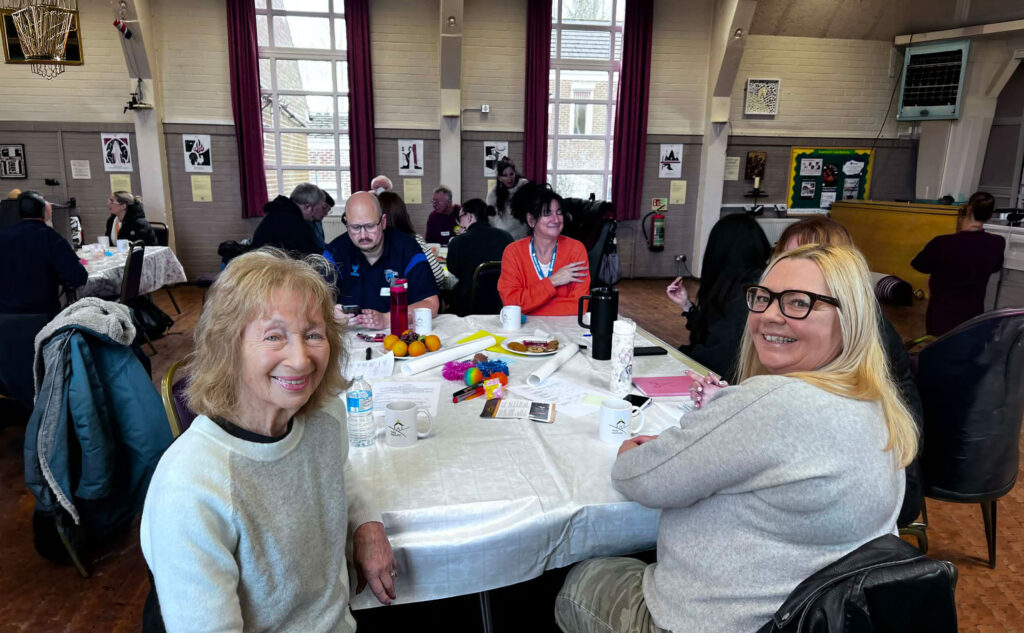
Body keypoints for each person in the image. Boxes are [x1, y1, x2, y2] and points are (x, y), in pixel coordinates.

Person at [555, 244, 917, 633]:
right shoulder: (878, 405)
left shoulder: (772, 404)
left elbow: (638, 478)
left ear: (851, 319)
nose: (770, 316)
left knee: (585, 579)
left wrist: (630, 450)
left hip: (721, 621)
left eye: (799, 303)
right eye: (763, 298)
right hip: (813, 615)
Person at [140, 249, 396, 632]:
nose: (301, 359)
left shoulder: (325, 417)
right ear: (228, 348)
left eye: (313, 334)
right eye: (274, 336)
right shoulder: (190, 486)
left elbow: (338, 469)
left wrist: (367, 525)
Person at [772, 215, 924, 527]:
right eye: (784, 259)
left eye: (807, 261)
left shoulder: (864, 335)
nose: (790, 272)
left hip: (880, 495)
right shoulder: (795, 325)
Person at [665, 213, 770, 381]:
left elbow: (717, 357)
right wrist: (687, 305)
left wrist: (672, 356)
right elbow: (714, 330)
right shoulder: (740, 284)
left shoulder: (745, 295)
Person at [327, 191, 439, 330]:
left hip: (398, 334)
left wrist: (388, 318)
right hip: (350, 338)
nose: (363, 235)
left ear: (383, 222)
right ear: (347, 224)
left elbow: (431, 304)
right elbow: (310, 302)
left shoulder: (408, 249)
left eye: (370, 226)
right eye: (355, 227)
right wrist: (330, 313)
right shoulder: (335, 252)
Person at [911, 191, 1005, 336]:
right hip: (973, 319)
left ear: (968, 209)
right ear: (990, 216)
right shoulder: (997, 243)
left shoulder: (942, 243)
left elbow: (918, 264)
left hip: (941, 320)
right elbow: (995, 267)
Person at [497, 185, 589, 316]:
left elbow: (580, 305)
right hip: (525, 330)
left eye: (559, 213)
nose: (556, 220)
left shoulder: (576, 249)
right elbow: (511, 303)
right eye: (547, 214)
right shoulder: (513, 252)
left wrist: (528, 307)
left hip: (565, 329)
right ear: (531, 220)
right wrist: (554, 280)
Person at [0, 190, 87, 317]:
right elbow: (77, 277)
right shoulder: (51, 238)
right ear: (44, 213)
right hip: (41, 315)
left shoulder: (3, 236)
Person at [447, 198, 514, 315]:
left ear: (469, 217)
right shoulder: (506, 237)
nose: (458, 223)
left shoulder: (458, 242)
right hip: (502, 302)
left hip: (468, 304)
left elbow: (453, 270)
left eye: (460, 218)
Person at [379, 191, 447, 290]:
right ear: (402, 214)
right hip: (414, 301)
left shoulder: (371, 245)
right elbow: (438, 275)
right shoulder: (415, 241)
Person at [251, 182, 325, 257]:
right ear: (308, 207)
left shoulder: (277, 212)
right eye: (316, 210)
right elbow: (312, 257)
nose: (313, 217)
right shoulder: (295, 223)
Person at [486, 158, 530, 240]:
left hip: (522, 235)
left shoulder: (524, 185)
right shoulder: (493, 193)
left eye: (511, 174)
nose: (509, 178)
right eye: (505, 175)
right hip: (502, 235)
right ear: (499, 178)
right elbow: (490, 217)